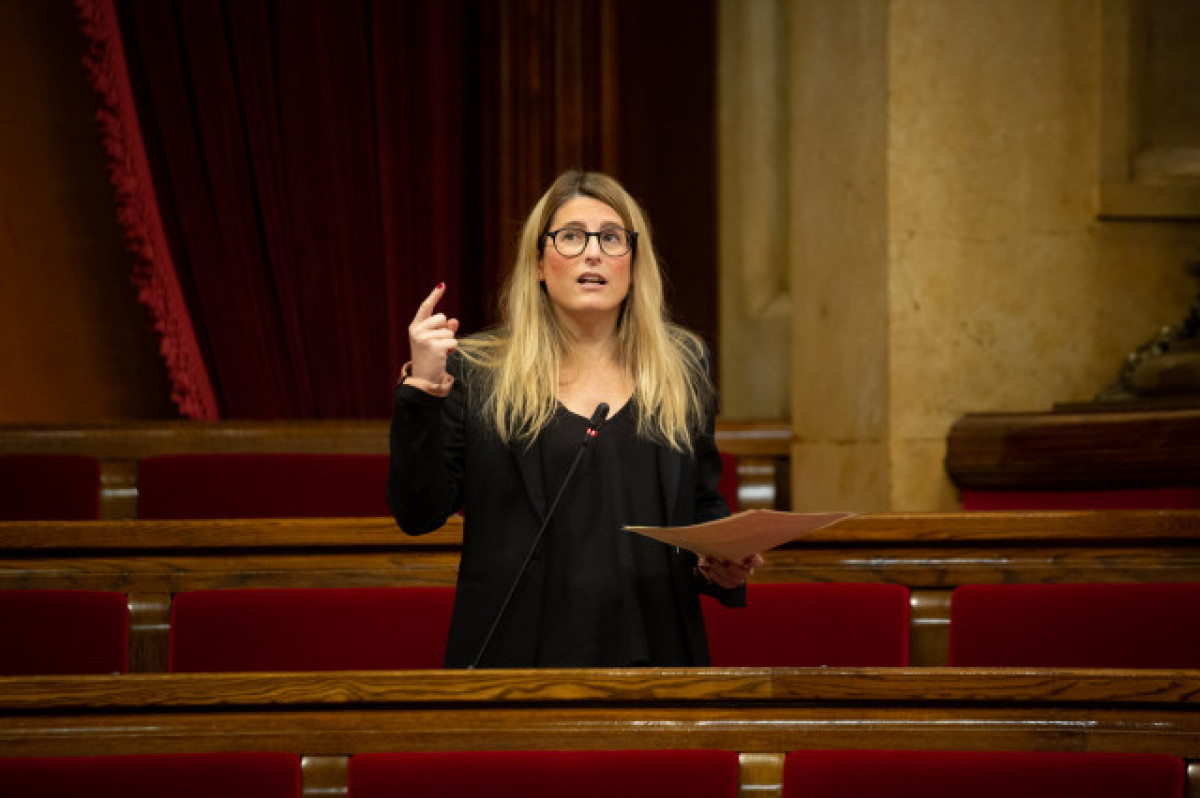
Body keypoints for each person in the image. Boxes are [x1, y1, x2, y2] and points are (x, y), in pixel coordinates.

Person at [387, 170, 761, 668]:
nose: (593, 253)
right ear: (538, 264)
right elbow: (418, 513)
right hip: (519, 660)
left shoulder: (681, 367)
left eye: (611, 238)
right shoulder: (478, 372)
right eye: (571, 237)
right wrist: (422, 391)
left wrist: (719, 561)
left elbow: (699, 503)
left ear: (634, 263)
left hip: (655, 652)